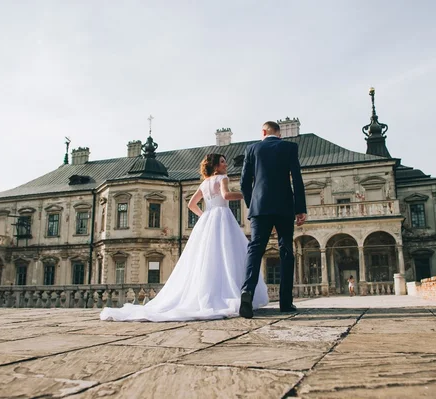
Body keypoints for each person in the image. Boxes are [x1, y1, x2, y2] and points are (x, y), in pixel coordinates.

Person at [100, 154, 269, 322]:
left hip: (209, 219)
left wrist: (204, 215)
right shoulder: (222, 178)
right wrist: (250, 194)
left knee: (207, 258)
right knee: (228, 255)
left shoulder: (204, 183)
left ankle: (212, 294)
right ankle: (230, 293)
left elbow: (191, 204)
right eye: (223, 162)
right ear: (216, 166)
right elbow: (225, 196)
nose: (226, 165)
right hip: (223, 216)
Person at [239, 121, 307, 319]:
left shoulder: (252, 149)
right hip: (285, 206)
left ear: (263, 131)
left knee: (255, 249)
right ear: (279, 133)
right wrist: (300, 208)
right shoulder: (289, 147)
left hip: (260, 207)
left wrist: (253, 204)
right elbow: (297, 178)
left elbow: (244, 182)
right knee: (286, 250)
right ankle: (286, 302)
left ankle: (247, 292)